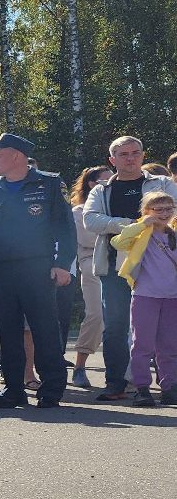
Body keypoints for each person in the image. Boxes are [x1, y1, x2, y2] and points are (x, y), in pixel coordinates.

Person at [0, 132, 76, 408]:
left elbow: (65, 229)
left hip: (38, 268)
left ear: (16, 156)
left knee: (45, 330)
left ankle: (52, 389)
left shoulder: (50, 183)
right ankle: (13, 388)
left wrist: (62, 264)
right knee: (8, 333)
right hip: (1, 272)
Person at [81, 136, 176, 401]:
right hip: (116, 265)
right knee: (116, 326)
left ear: (143, 155)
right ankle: (116, 384)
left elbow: (175, 212)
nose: (130, 158)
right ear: (112, 160)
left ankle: (169, 386)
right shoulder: (102, 190)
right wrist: (136, 224)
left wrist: (157, 222)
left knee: (165, 332)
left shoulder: (163, 183)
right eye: (123, 154)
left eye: (135, 152)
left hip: (159, 270)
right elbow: (91, 220)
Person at [109, 191, 177, 406]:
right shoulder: (142, 233)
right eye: (159, 209)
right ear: (147, 211)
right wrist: (141, 223)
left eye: (169, 208)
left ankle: (169, 387)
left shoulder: (174, 232)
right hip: (145, 295)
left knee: (169, 346)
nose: (165, 213)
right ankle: (142, 388)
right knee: (142, 345)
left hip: (172, 297)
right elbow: (118, 242)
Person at [68, 165, 116, 387]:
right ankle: (79, 365)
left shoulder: (116, 204)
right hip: (92, 262)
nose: (108, 185)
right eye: (103, 181)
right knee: (96, 314)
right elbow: (89, 241)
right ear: (91, 184)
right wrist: (117, 226)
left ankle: (126, 374)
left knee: (126, 319)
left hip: (123, 260)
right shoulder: (78, 212)